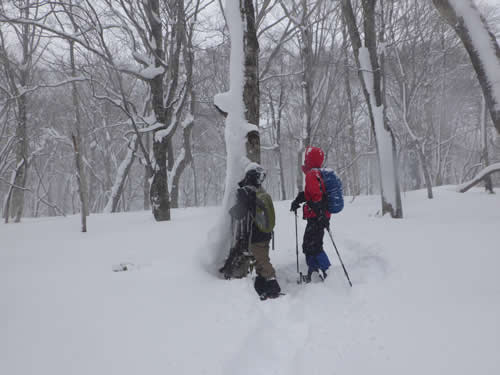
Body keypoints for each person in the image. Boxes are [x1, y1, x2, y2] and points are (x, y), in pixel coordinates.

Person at [228, 164, 281, 299]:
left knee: (261, 260)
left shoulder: (247, 193)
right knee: (261, 258)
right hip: (266, 233)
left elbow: (239, 213)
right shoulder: (260, 191)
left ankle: (272, 284)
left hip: (257, 235)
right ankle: (262, 282)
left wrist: (228, 212)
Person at [290, 147, 332, 282]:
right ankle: (312, 272)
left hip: (317, 217)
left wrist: (320, 215)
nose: (305, 161)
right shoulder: (317, 173)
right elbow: (311, 195)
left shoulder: (312, 175)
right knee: (309, 245)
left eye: (307, 158)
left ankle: (329, 273)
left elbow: (316, 197)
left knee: (314, 245)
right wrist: (298, 200)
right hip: (318, 216)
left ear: (310, 160)